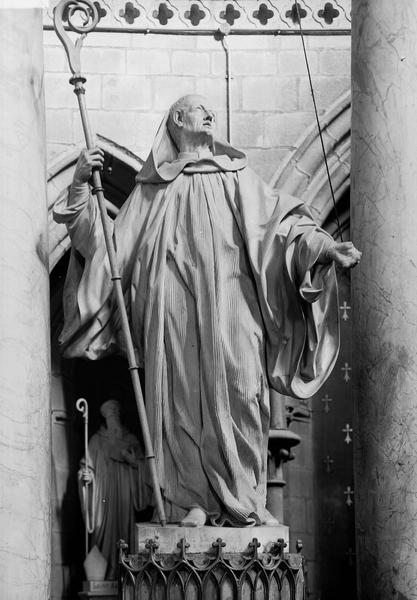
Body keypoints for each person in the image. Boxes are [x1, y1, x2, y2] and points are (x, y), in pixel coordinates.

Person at [55, 95, 361, 528]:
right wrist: (81, 187)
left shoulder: (238, 177)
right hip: (173, 307)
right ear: (178, 120)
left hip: (235, 307)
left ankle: (246, 500)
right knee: (181, 396)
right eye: (199, 109)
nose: (210, 114)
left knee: (242, 390)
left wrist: (325, 246)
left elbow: (284, 228)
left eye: (210, 110)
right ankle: (188, 501)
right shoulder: (152, 189)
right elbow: (107, 250)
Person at [79, 399, 149, 578]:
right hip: (103, 494)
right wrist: (86, 477)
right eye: (110, 416)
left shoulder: (131, 440)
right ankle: (103, 572)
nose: (114, 419)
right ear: (105, 419)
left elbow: (146, 470)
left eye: (116, 414)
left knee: (124, 531)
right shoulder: (96, 440)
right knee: (102, 529)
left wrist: (134, 464)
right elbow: (87, 468)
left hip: (125, 493)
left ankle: (124, 573)